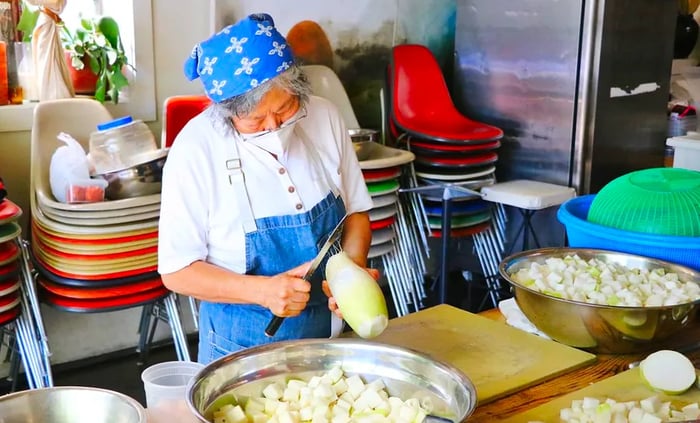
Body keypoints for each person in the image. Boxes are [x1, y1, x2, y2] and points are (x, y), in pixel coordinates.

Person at [157, 13, 376, 364]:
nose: (274, 127)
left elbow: (356, 215)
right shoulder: (195, 150)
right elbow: (176, 271)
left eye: (286, 108)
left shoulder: (325, 117)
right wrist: (262, 291)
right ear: (226, 113)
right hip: (239, 353)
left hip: (330, 339)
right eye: (255, 121)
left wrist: (352, 270)